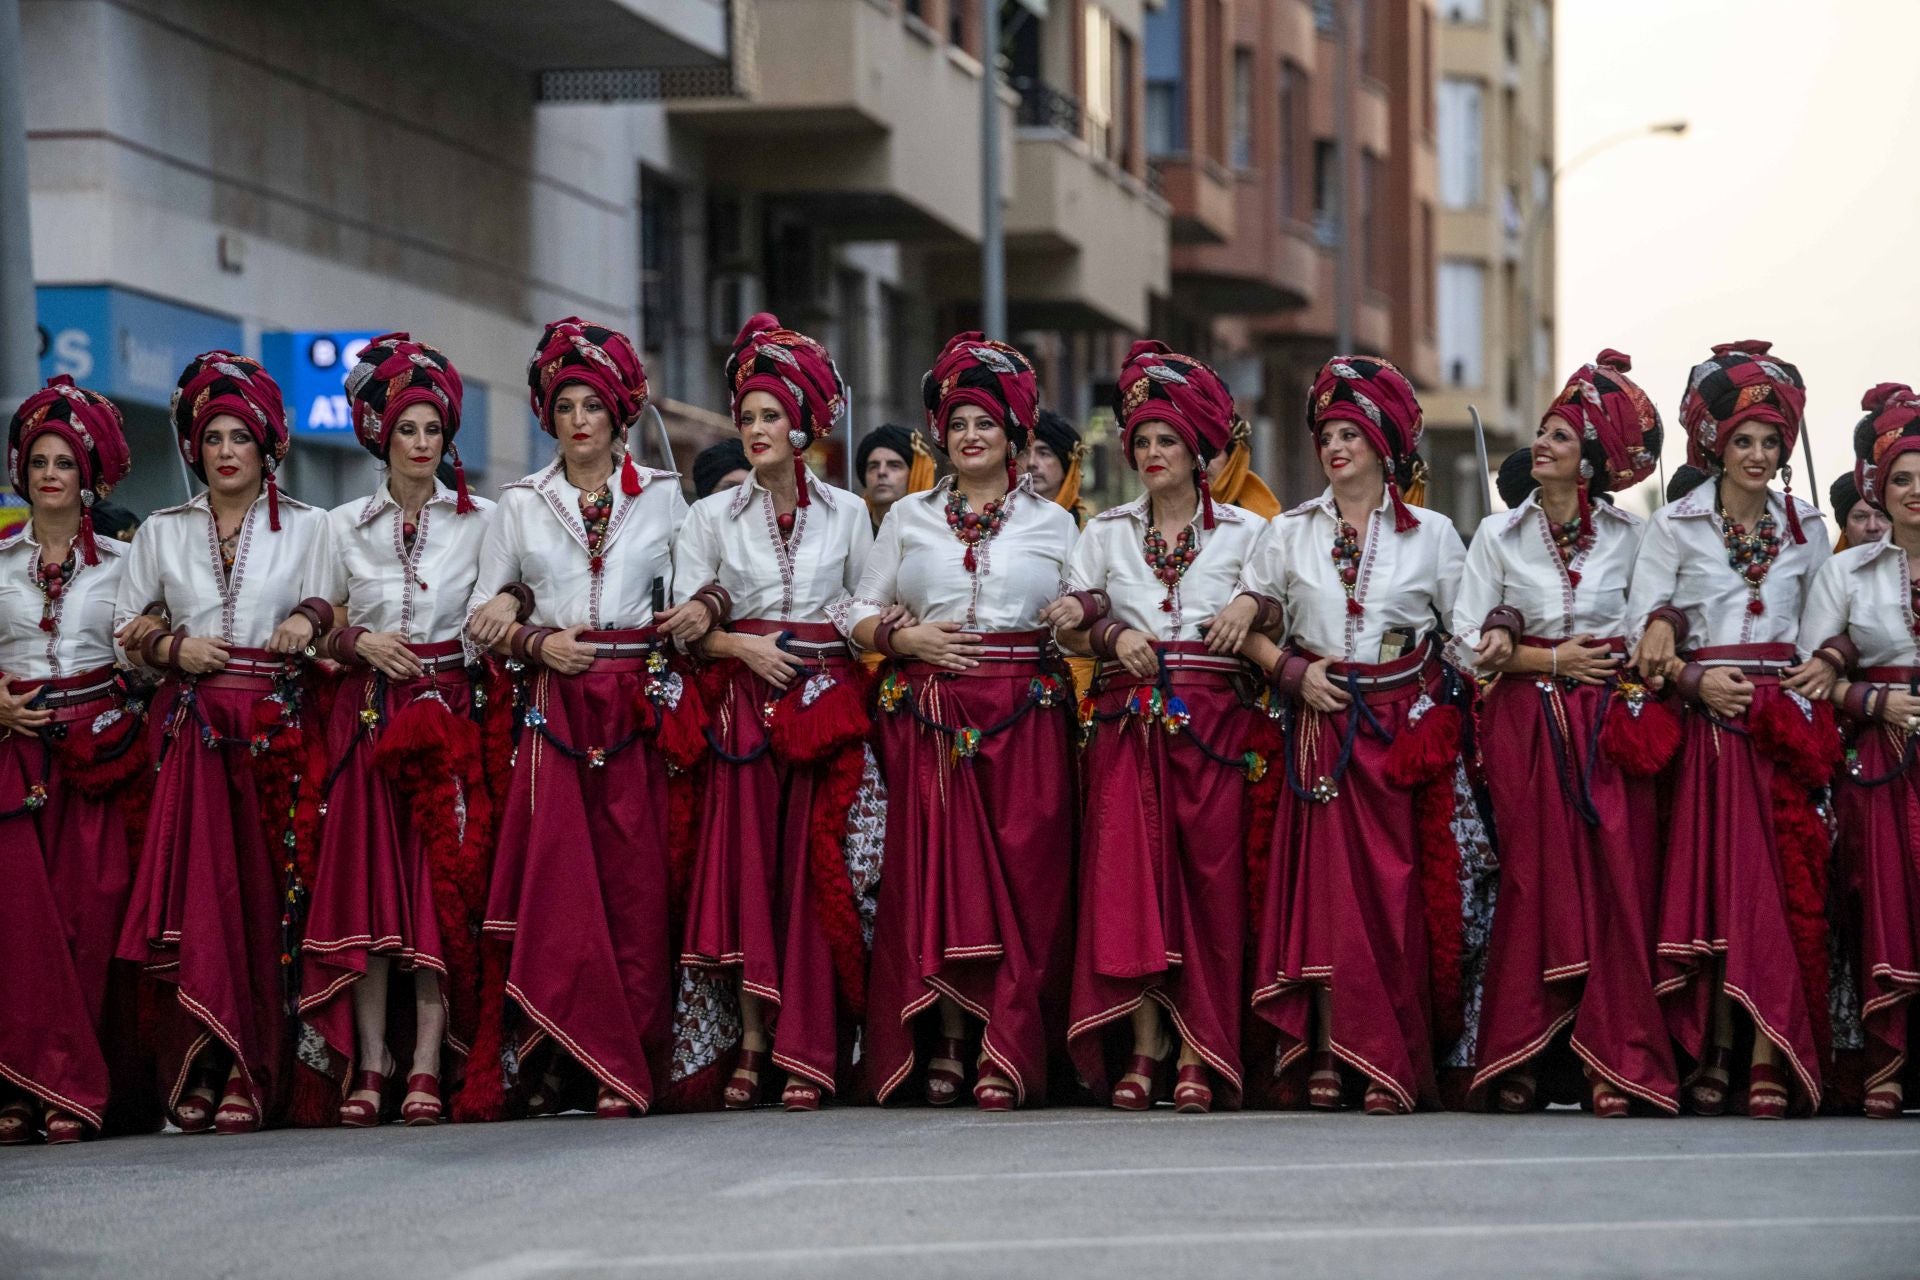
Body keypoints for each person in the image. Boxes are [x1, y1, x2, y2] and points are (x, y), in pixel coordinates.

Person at [465, 318, 705, 1120]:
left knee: (636, 890)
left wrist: (700, 613)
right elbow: (481, 613)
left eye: (591, 405)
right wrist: (537, 638)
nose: (577, 419)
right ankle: (555, 1059)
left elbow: (708, 585)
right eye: (564, 404)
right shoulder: (520, 504)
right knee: (561, 887)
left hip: (636, 706)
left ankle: (627, 1061)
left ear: (618, 416)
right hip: (556, 707)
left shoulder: (668, 498)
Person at [1227, 355, 1470, 1115]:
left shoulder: (1434, 534)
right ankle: (1325, 1047)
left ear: (1385, 444)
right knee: (1321, 895)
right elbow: (1252, 624)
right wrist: (1287, 669)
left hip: (1398, 729)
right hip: (1318, 723)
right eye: (1327, 433)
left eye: (1352, 433)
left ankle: (1388, 1054)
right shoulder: (1287, 532)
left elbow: (1461, 640)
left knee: (1393, 895)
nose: (1336, 447)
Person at [276, 333, 504, 1128]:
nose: (418, 444)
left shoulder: (485, 521)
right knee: (368, 894)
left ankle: (426, 1063)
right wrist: (355, 642)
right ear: (379, 435)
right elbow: (315, 619)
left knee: (440, 893)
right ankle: (370, 1061)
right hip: (368, 724)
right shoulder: (339, 526)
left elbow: (513, 602)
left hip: (449, 722)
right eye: (405, 430)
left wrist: (506, 614)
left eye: (432, 431)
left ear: (448, 438)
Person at [848, 332, 1080, 1110]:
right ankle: (947, 1039)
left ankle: (1007, 1045)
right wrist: (899, 637)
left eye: (986, 423)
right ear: (940, 436)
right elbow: (851, 607)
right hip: (934, 717)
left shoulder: (1056, 524)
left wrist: (1084, 615)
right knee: (936, 884)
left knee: (1026, 886)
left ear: (1015, 436)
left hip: (1025, 720)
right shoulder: (909, 517)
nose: (971, 436)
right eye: (957, 425)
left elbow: (1083, 610)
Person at [1454, 350, 1679, 1117]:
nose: (1540, 444)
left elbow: (1652, 620)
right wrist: (1543, 655)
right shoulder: (1498, 535)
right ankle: (1523, 1051)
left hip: (1611, 724)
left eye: (1558, 435)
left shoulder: (1633, 536)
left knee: (1615, 882)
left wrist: (1647, 638)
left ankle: (1613, 1060)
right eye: (1543, 432)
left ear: (1592, 460)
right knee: (1532, 879)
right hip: (1524, 724)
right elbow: (1463, 639)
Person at [1048, 342, 1270, 1113]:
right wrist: (1105, 633)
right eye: (1140, 441)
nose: (1150, 454)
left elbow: (1284, 610)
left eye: (1165, 440)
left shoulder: (1249, 533)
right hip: (1127, 724)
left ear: (1199, 449)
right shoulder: (1104, 530)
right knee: (1132, 888)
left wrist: (1254, 606)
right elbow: (1071, 621)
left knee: (1211, 892)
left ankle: (1203, 1052)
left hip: (1216, 731)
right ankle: (1145, 1047)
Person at [114, 352, 329, 1135]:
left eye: (242, 436)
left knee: (270, 903)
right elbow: (122, 633)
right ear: (195, 450)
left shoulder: (311, 527)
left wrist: (308, 621)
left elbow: (335, 605)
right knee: (203, 903)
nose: (227, 451)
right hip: (195, 736)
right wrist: (173, 651)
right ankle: (201, 1064)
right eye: (213, 439)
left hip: (276, 737)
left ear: (268, 445)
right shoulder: (163, 534)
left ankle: (259, 1067)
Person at [674, 314, 877, 1112]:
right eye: (749, 417)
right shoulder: (706, 519)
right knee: (752, 875)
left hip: (829, 710)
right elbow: (690, 626)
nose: (757, 430)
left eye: (772, 417)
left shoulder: (851, 513)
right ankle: (755, 1045)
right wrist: (741, 648)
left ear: (806, 425)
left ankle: (813, 1044)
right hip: (746, 712)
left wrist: (837, 650)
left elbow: (866, 604)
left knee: (819, 875)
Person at [1627, 340, 1833, 1119]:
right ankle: (1715, 1043)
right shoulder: (1674, 525)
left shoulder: (1810, 527)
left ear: (1785, 449)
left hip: (1784, 731)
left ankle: (1765, 1052)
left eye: (1770, 441)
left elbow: (1823, 632)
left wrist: (1817, 681)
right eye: (1742, 439)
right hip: (1709, 730)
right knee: (1717, 894)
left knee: (1779, 894)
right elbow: (1637, 641)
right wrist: (1692, 679)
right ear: (1714, 443)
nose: (1756, 453)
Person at [0, 378, 144, 1145]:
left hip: (100, 759)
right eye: (38, 460)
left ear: (90, 473)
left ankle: (73, 1084)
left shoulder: (127, 561)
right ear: (20, 472)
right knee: (21, 927)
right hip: (12, 756)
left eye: (65, 461)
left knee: (91, 919)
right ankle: (22, 1087)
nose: (50, 473)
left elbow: (152, 652)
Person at [1802, 382, 1920, 1118]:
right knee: (1884, 905)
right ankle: (1885, 1061)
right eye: (1902, 479)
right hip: (1880, 763)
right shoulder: (1848, 571)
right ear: (1879, 485)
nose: (1915, 492)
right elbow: (1807, 675)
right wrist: (1872, 699)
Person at [1207, 419, 1283, 520]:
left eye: (1213, 452)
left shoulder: (1259, 521)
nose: (1202, 462)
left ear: (1233, 460)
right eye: (1194, 452)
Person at [1023, 409, 1087, 524]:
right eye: (1025, 453)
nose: (1031, 463)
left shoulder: (1087, 529)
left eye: (1043, 453)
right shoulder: (1001, 522)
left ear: (1067, 467)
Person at [855, 424, 916, 532]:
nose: (881, 472)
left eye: (894, 465)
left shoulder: (931, 532)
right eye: (873, 466)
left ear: (914, 475)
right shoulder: (850, 532)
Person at [1829, 470, 1888, 552]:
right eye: (1860, 517)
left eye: (1883, 515)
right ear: (1845, 528)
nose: (1872, 527)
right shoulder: (1832, 564)